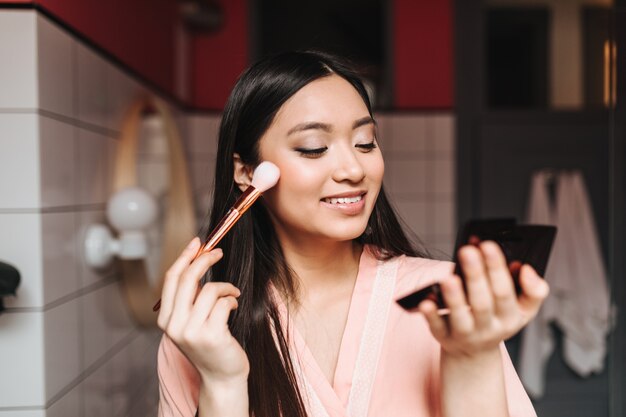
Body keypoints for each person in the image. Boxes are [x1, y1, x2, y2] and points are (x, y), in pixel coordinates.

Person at [156, 50, 549, 417]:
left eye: (365, 143)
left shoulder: (444, 302)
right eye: (313, 148)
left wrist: (472, 356)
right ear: (246, 173)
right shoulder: (199, 336)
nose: (354, 169)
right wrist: (222, 384)